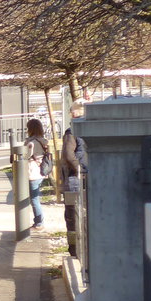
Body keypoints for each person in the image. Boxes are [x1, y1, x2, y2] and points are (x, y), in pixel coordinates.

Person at [61, 102, 88, 256]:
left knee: (72, 216)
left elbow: (68, 156)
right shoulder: (89, 130)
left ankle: (75, 250)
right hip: (85, 176)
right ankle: (80, 249)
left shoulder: (71, 133)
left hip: (75, 178)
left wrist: (79, 169)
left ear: (72, 114)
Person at [23, 118, 50, 231]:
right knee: (35, 197)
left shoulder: (31, 143)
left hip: (33, 172)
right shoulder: (44, 141)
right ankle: (38, 221)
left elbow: (25, 156)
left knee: (34, 199)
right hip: (41, 171)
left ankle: (39, 222)